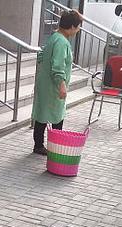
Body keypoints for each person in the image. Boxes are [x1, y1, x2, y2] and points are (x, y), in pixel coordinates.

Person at [32, 10, 83, 155]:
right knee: (57, 116)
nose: (78, 30)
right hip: (53, 85)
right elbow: (58, 66)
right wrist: (61, 85)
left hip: (45, 82)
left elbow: (41, 56)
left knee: (42, 114)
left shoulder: (54, 37)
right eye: (78, 27)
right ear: (72, 27)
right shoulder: (62, 42)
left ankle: (38, 145)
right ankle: (55, 146)